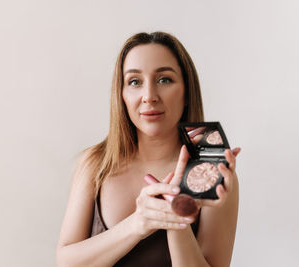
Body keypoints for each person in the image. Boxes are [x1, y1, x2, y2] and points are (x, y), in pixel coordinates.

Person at [56, 31, 241, 267]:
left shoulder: (210, 172)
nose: (149, 96)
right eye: (134, 82)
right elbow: (66, 263)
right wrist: (138, 223)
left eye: (164, 79)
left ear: (186, 92)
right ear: (121, 95)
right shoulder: (94, 164)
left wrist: (175, 218)